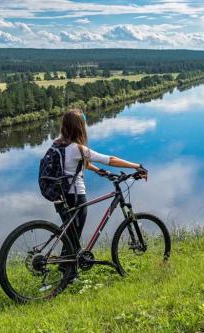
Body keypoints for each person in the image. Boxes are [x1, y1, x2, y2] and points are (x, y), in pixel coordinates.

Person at [53, 109, 147, 264]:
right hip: (75, 195)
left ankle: (67, 266)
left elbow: (80, 164)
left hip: (58, 194)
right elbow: (109, 159)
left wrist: (100, 172)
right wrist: (137, 166)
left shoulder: (57, 143)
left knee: (71, 234)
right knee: (74, 234)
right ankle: (69, 272)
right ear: (79, 127)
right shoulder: (77, 149)